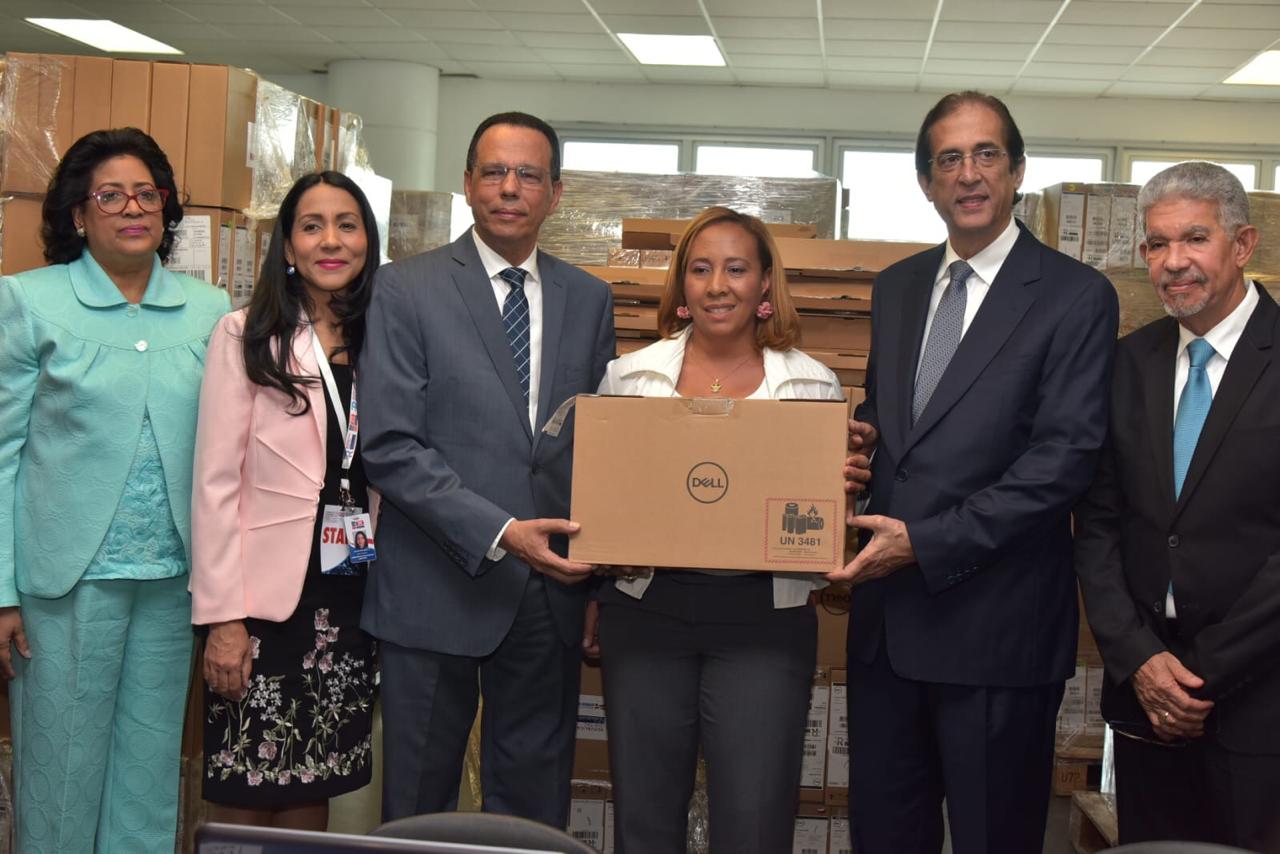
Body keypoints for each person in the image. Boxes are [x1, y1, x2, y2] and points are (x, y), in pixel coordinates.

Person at [833, 91, 1119, 854]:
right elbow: (901, 424)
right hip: (887, 632)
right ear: (926, 182)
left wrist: (926, 542)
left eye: (986, 154)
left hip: (997, 632)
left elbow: (1063, 461)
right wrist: (857, 452)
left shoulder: (1075, 296)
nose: (968, 174)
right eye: (948, 159)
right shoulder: (896, 288)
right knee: (885, 837)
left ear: (1017, 170)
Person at [359, 111, 615, 826]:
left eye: (529, 174)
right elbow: (390, 444)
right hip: (434, 579)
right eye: (495, 172)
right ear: (468, 183)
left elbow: (596, 444)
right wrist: (501, 530)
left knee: (532, 808)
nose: (510, 188)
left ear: (556, 192)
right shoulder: (405, 289)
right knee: (418, 803)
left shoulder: (589, 299)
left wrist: (594, 570)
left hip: (548, 594)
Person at [583, 206, 842, 854]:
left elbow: (822, 507)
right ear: (682, 286)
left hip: (764, 619)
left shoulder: (812, 386)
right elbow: (607, 496)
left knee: (754, 820)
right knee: (644, 816)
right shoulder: (631, 378)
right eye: (700, 270)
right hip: (647, 612)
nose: (717, 285)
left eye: (735, 269)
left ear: (763, 287)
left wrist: (845, 478)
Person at [0, 127, 230, 854]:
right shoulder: (27, 302)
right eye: (110, 195)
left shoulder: (209, 308)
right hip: (63, 584)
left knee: (149, 775)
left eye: (148, 193)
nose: (133, 208)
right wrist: (1, 588)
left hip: (171, 583)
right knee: (61, 775)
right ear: (77, 213)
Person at [1074, 161, 1280, 850]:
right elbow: (1097, 524)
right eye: (1157, 245)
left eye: (1194, 238)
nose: (1174, 262)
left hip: (1258, 704)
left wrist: (1198, 678)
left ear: (1243, 243)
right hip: (1143, 700)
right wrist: (1141, 662)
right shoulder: (1128, 363)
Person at [190, 171, 381, 830]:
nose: (331, 240)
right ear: (289, 246)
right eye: (312, 225)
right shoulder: (246, 336)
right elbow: (214, 484)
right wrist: (223, 619)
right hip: (263, 604)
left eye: (347, 224)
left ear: (367, 239)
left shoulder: (386, 338)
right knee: (247, 783)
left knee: (315, 777)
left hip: (350, 592)